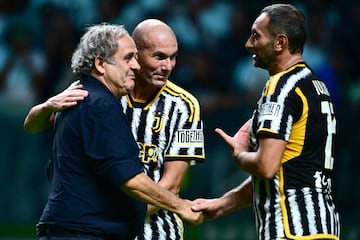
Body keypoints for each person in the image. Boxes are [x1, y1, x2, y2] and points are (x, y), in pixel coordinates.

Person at [24, 20, 205, 240]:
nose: (167, 65)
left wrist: (119, 218)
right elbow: (33, 125)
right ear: (136, 54)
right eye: (158, 57)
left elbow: (173, 183)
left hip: (147, 228)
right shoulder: (98, 97)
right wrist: (47, 105)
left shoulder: (184, 105)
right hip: (99, 226)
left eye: (173, 57)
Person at [192, 3, 341, 240]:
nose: (248, 44)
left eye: (255, 36)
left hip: (290, 230)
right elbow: (284, 173)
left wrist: (240, 155)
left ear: (280, 42)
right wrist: (222, 205)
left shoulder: (279, 87)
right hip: (323, 226)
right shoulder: (315, 84)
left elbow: (266, 166)